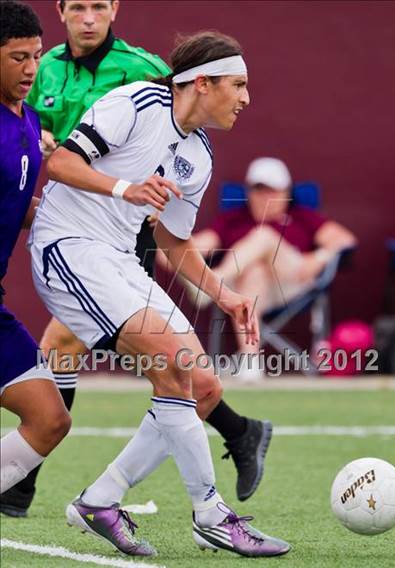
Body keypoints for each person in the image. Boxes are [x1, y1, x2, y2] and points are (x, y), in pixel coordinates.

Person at [1, 0, 272, 517]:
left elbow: (173, 242)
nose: (247, 98)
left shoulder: (197, 154)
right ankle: (209, 513)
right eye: (237, 85)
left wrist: (225, 293)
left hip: (121, 252)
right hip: (73, 247)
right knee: (111, 356)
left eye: (98, 5)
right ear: (202, 84)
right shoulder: (136, 99)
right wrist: (123, 189)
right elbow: (60, 162)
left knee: (197, 380)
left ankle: (104, 496)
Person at [175, 157, 357, 380]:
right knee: (253, 273)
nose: (264, 198)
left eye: (272, 191)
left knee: (265, 237)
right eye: (258, 190)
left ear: (286, 192)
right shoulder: (233, 220)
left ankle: (210, 283)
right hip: (249, 290)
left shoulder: (302, 217)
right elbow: (196, 245)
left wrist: (320, 256)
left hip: (293, 281)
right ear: (248, 193)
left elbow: (344, 239)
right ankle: (251, 360)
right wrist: (170, 245)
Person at [0, 0, 71, 496]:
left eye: (37, 56)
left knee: (50, 419)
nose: (31, 69)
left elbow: (19, 204)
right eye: (17, 58)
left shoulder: (27, 121)